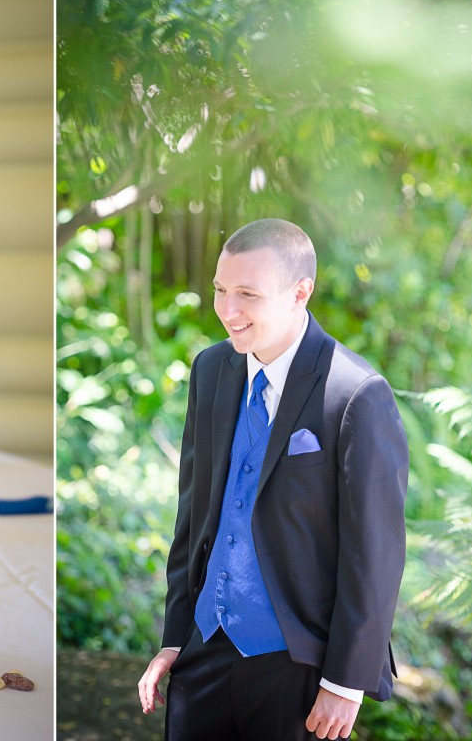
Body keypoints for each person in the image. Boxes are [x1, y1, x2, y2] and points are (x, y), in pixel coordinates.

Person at [137, 218, 408, 740]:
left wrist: (344, 683)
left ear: (299, 293)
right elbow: (192, 516)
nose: (227, 311)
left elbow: (374, 553)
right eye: (219, 290)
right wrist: (175, 638)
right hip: (205, 650)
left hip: (299, 663)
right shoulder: (212, 370)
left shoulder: (356, 394)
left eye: (247, 294)